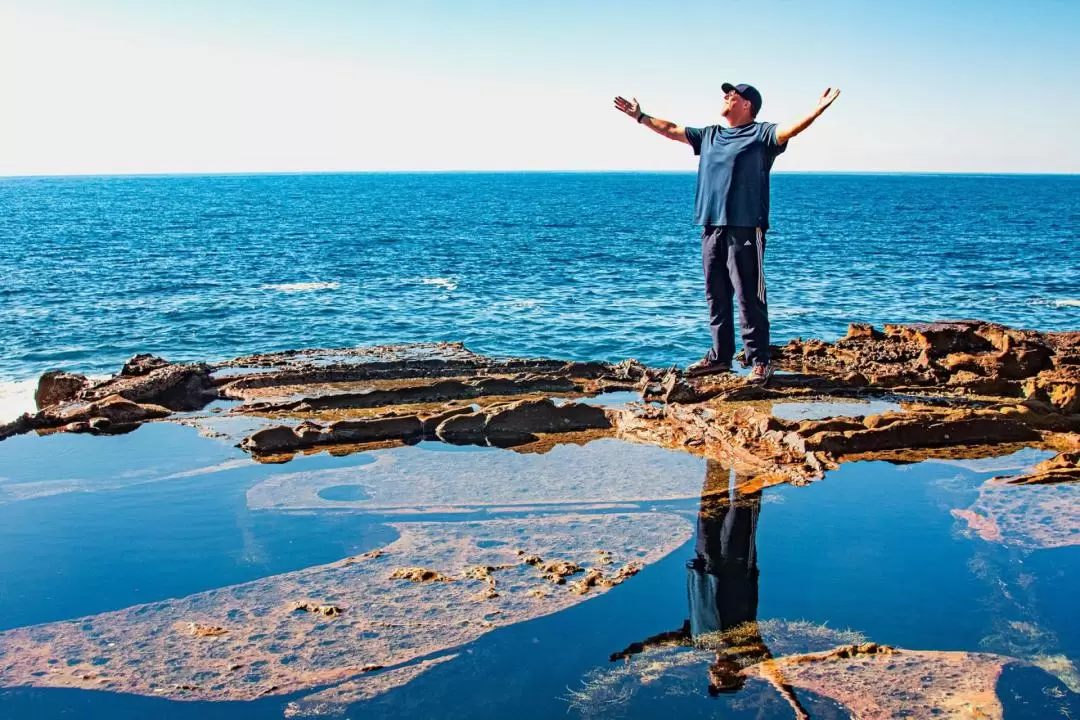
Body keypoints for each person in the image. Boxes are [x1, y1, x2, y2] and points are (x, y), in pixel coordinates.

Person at [614, 84, 840, 385]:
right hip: (710, 226)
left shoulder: (761, 134)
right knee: (716, 295)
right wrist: (640, 116)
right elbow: (671, 128)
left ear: (747, 104)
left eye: (732, 94)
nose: (725, 97)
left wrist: (817, 109)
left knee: (749, 296)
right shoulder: (710, 135)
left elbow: (789, 130)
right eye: (725, 94)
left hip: (746, 226)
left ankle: (760, 361)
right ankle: (720, 358)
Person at [609, 461, 808, 715]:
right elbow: (773, 672)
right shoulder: (746, 649)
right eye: (722, 683)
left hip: (705, 561)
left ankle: (716, 457)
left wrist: (635, 649)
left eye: (714, 682)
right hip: (736, 566)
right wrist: (796, 706)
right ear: (738, 675)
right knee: (743, 505)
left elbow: (665, 641)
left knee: (709, 504)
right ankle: (750, 456)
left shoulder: (699, 642)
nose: (715, 679)